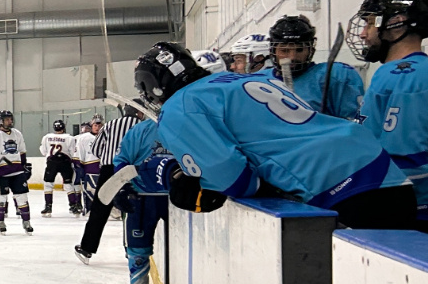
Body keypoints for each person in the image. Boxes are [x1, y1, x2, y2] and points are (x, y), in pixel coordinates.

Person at [136, 43, 418, 229]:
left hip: (338, 189)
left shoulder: (179, 106)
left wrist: (203, 187)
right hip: (383, 170)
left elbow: (231, 177)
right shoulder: (251, 78)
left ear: (154, 87)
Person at [350, 0, 428, 228]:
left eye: (369, 23)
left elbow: (405, 156)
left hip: (411, 213)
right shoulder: (411, 72)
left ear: (396, 22)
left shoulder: (402, 76)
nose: (363, 34)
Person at [108, 117, 170, 284]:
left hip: (177, 197)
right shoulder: (140, 130)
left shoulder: (187, 124)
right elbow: (122, 159)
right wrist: (122, 185)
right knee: (137, 244)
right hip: (142, 194)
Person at [73, 107, 142, 262]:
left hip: (109, 168)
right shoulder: (141, 125)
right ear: (139, 112)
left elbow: (96, 149)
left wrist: (108, 156)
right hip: (132, 169)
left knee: (100, 208)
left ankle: (86, 249)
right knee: (133, 207)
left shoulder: (111, 124)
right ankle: (132, 249)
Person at [261, 14, 364, 119]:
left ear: (310, 50)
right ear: (273, 51)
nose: (292, 57)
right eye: (284, 50)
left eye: (300, 50)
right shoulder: (259, 81)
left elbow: (352, 123)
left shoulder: (334, 76)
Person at [0, 110, 32, 233]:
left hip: (17, 171)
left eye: (10, 119)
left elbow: (22, 151)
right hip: (1, 172)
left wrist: (24, 165)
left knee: (22, 197)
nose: (10, 121)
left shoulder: (17, 133)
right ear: (1, 121)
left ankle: (26, 222)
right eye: (7, 119)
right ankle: (0, 221)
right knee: (0, 198)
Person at [39, 118, 77, 216]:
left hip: (52, 162)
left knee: (48, 184)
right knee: (68, 184)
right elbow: (73, 152)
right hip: (65, 162)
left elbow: (43, 151)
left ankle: (48, 206)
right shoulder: (69, 138)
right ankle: (73, 205)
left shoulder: (47, 137)